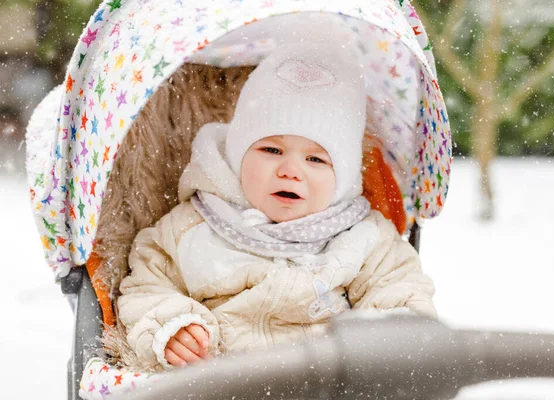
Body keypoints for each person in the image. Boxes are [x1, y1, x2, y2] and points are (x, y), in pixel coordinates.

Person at [117, 43, 436, 371]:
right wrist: (173, 327)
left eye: (315, 158)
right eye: (271, 150)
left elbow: (400, 293)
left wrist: (384, 343)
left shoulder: (365, 238)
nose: (291, 170)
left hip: (325, 382)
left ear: (342, 177)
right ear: (237, 154)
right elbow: (146, 286)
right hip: (221, 379)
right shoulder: (190, 227)